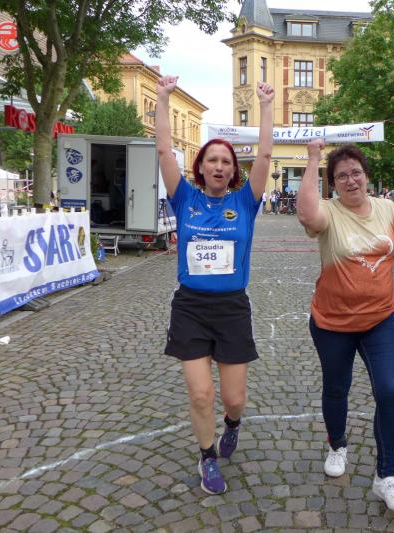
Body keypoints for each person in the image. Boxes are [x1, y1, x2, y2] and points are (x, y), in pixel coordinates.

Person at [296, 140, 394, 513]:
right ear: (333, 183)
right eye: (341, 176)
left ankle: (386, 477)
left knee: (391, 392)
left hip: (380, 320)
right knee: (337, 388)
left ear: (366, 176)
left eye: (356, 173)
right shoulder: (329, 213)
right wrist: (314, 158)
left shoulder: (388, 210)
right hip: (332, 322)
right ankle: (337, 445)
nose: (351, 180)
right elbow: (306, 215)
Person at [156, 75, 275, 495]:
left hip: (232, 308)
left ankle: (233, 424)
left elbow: (265, 154)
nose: (220, 166)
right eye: (212, 160)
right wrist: (163, 98)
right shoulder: (184, 197)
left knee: (234, 398)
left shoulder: (245, 201)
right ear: (201, 167)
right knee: (201, 394)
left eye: (226, 161)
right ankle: (207, 456)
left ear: (233, 170)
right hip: (190, 307)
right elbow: (164, 150)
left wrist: (265, 106)